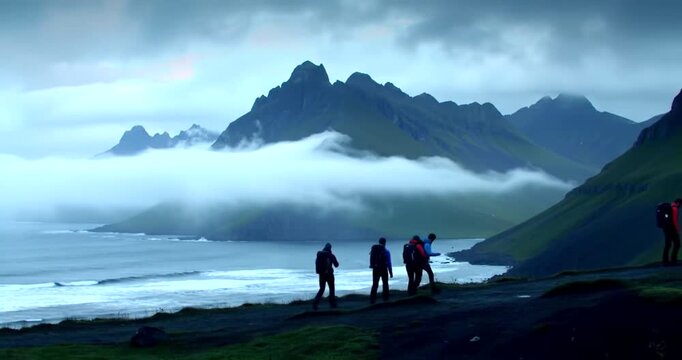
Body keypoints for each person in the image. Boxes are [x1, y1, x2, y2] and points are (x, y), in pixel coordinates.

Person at [313, 242, 339, 310]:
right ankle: (332, 304)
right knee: (332, 289)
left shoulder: (319, 255)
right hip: (329, 274)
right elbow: (336, 265)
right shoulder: (330, 255)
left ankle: (315, 303)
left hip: (321, 274)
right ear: (330, 248)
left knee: (321, 289)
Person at [369, 237, 393, 304]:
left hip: (375, 268)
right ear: (385, 243)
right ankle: (386, 299)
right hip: (383, 268)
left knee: (375, 284)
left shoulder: (374, 249)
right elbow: (389, 262)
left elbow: (372, 258)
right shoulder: (386, 251)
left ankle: (372, 299)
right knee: (385, 283)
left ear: (379, 242)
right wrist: (390, 272)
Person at [660, 199, 682, 266]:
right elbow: (675, 220)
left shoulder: (669, 207)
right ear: (678, 203)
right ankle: (673, 259)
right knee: (677, 243)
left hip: (666, 228)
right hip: (672, 229)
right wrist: (678, 229)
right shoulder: (675, 209)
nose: (680, 206)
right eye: (680, 204)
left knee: (668, 244)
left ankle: (665, 260)